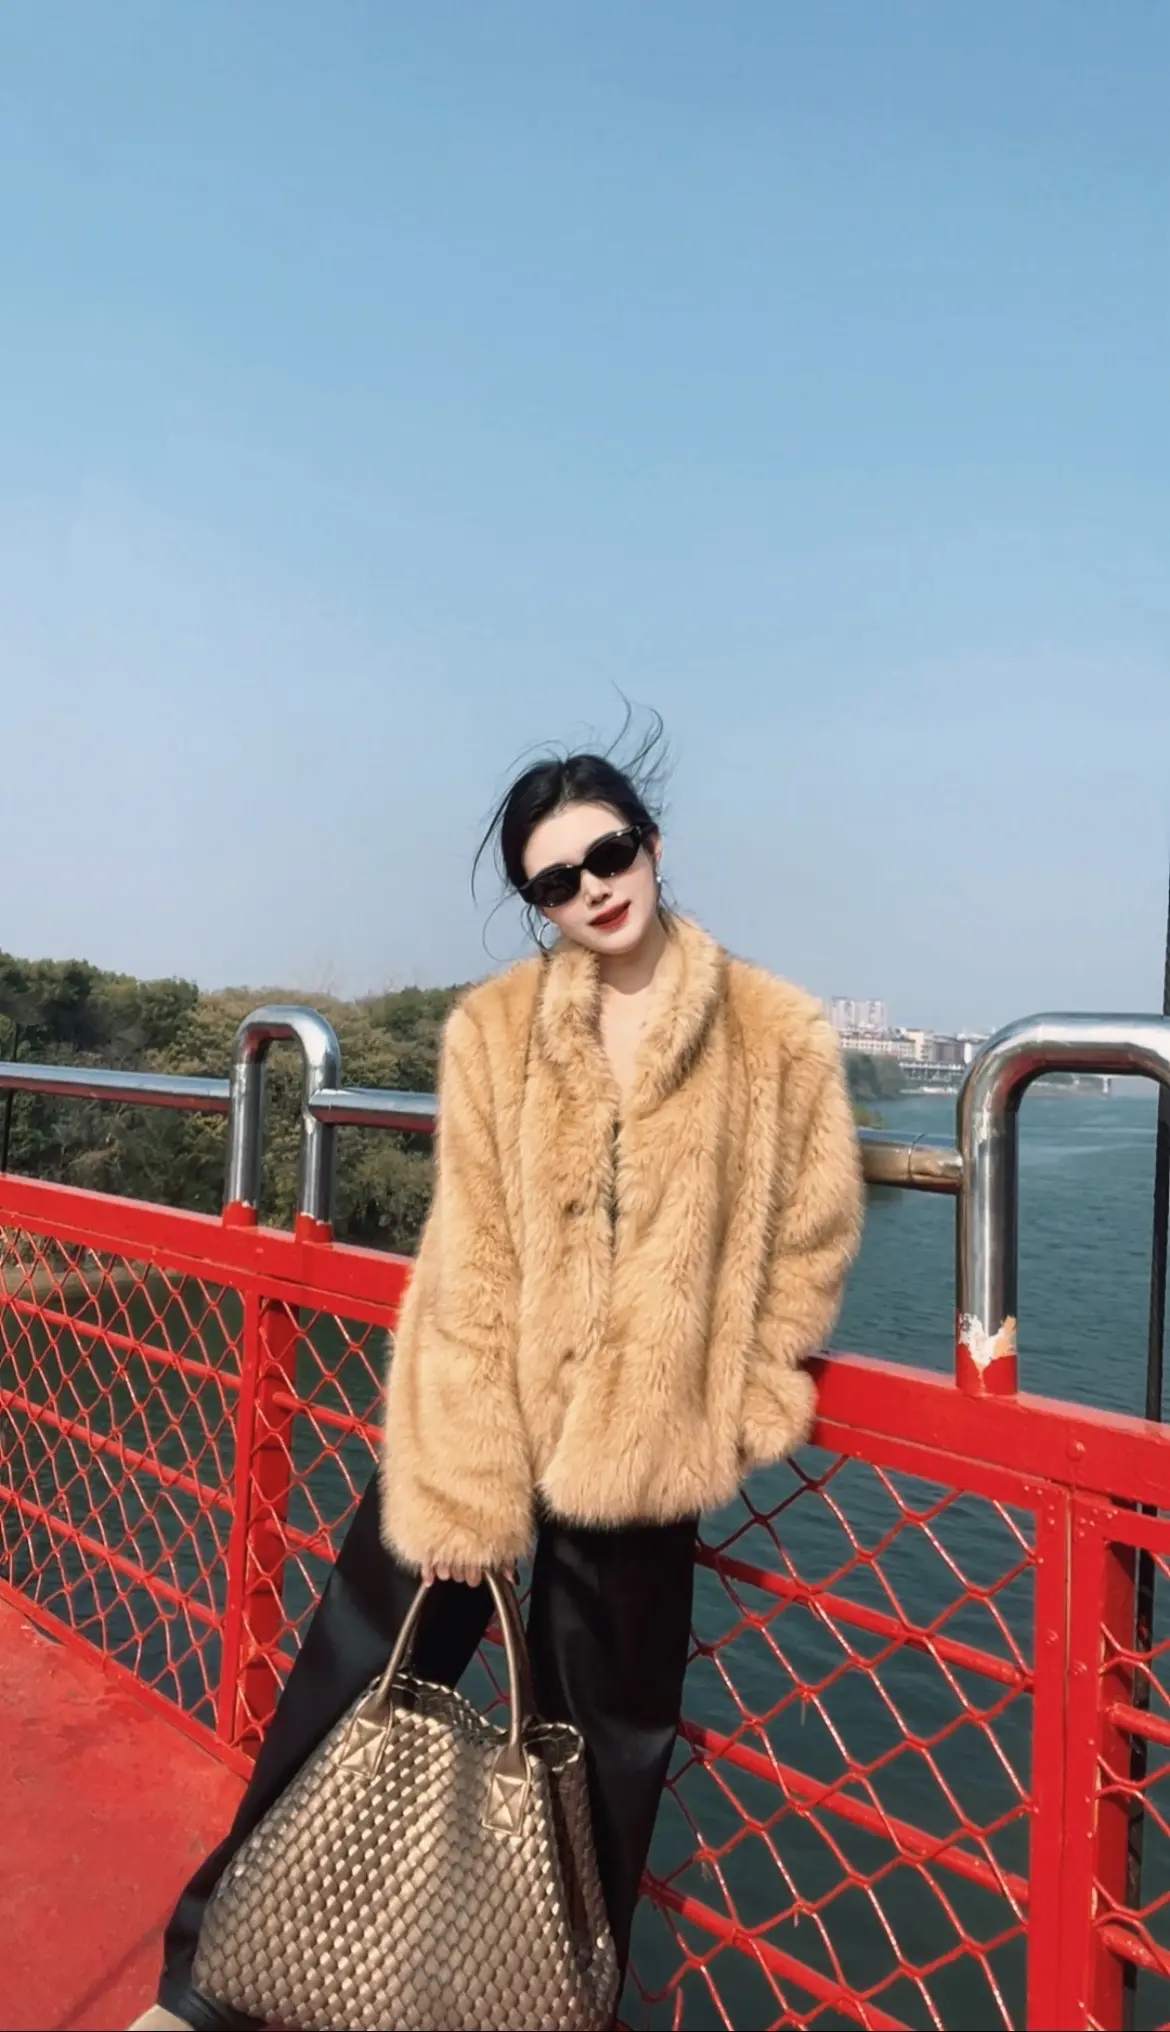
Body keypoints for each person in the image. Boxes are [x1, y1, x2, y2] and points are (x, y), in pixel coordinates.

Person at [132, 733, 864, 2032]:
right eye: (554, 880)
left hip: (645, 1439)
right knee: (347, 1681)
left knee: (605, 1749)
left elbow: (809, 1238)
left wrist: (745, 1398)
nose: (593, 888)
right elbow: (466, 1252)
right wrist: (465, 1480)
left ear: (652, 846)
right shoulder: (498, 1032)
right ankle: (216, 1977)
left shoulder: (776, 1034)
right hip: (480, 1411)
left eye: (608, 853)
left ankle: (542, 2006)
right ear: (536, 903)